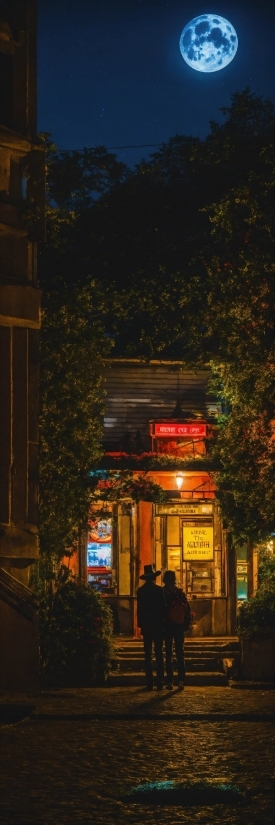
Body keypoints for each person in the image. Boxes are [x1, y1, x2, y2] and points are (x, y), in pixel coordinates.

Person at [137, 564, 166, 691]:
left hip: (147, 625)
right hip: (158, 625)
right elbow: (164, 608)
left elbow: (140, 610)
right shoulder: (159, 590)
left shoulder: (140, 591)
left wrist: (140, 624)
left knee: (147, 654)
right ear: (154, 578)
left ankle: (149, 683)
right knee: (159, 653)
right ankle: (160, 682)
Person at [162, 570, 191, 691]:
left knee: (168, 653)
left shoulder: (163, 592)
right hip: (179, 626)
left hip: (167, 625)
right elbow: (187, 609)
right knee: (180, 653)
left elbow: (161, 610)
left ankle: (169, 681)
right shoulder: (180, 592)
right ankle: (181, 681)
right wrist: (185, 624)